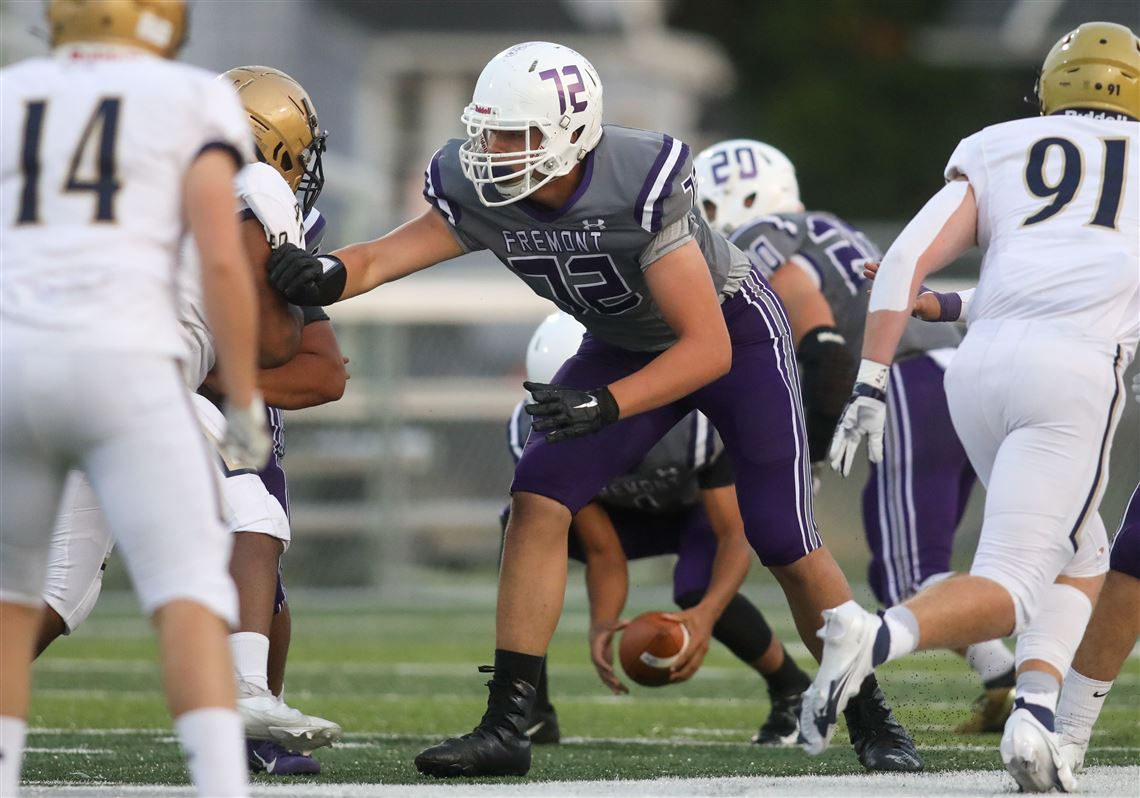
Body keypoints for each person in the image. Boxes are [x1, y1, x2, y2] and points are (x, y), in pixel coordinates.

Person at [265, 40, 920, 777]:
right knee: (539, 499)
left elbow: (706, 348)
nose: (494, 151)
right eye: (488, 132)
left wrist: (608, 403)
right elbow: (385, 256)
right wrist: (328, 272)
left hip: (732, 330)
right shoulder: (481, 188)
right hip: (621, 340)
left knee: (782, 536)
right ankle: (508, 723)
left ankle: (872, 716)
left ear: (573, 133)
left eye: (516, 135)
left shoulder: (635, 179)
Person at [800, 21, 1138, 794]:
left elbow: (904, 264)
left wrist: (871, 380)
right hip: (1074, 373)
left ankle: (1035, 714)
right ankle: (874, 636)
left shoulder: (1001, 143)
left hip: (976, 368)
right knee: (1015, 581)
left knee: (1081, 551)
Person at [33, 66, 349, 777]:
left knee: (61, 588)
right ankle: (243, 692)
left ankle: (250, 708)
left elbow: (317, 368)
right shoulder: (260, 185)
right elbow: (279, 346)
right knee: (255, 512)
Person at [0, 2, 271, 796]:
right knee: (187, 594)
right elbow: (222, 261)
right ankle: (221, 785)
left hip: (16, 366)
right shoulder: (193, 96)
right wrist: (247, 396)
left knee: (14, 599)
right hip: (129, 364)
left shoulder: (14, 91)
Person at [694, 139, 1016, 733]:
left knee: (906, 574)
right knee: (949, 560)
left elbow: (826, 348)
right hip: (966, 373)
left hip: (912, 383)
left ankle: (1015, 678)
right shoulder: (830, 228)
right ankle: (1007, 680)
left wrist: (807, 455)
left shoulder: (764, 238)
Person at [507, 312, 813, 746]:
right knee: (519, 524)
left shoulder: (694, 426)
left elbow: (732, 536)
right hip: (624, 524)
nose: (572, 424)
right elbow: (603, 552)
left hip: (692, 517)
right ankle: (528, 710)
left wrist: (704, 618)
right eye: (562, 414)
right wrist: (604, 623)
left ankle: (790, 687)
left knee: (695, 587)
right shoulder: (532, 432)